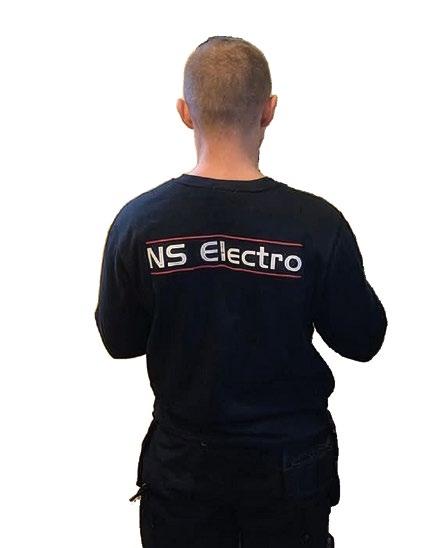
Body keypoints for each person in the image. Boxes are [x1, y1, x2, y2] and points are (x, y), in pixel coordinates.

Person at [95, 35, 388, 547]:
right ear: (269, 110)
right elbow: (363, 340)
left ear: (185, 112)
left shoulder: (139, 223)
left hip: (184, 471)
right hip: (288, 469)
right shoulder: (317, 225)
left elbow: (120, 341)